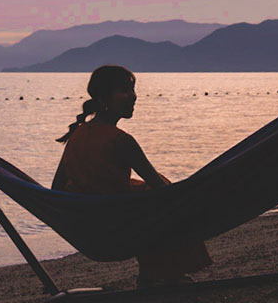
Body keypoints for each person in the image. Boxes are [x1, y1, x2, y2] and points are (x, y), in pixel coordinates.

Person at [52, 64, 211, 286]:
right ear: (104, 98)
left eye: (133, 90)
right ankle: (161, 273)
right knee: (167, 198)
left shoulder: (77, 136)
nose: (133, 97)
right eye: (124, 91)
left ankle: (155, 272)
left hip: (92, 224)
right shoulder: (121, 141)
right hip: (120, 224)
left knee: (148, 194)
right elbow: (162, 190)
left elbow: (56, 190)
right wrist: (202, 200)